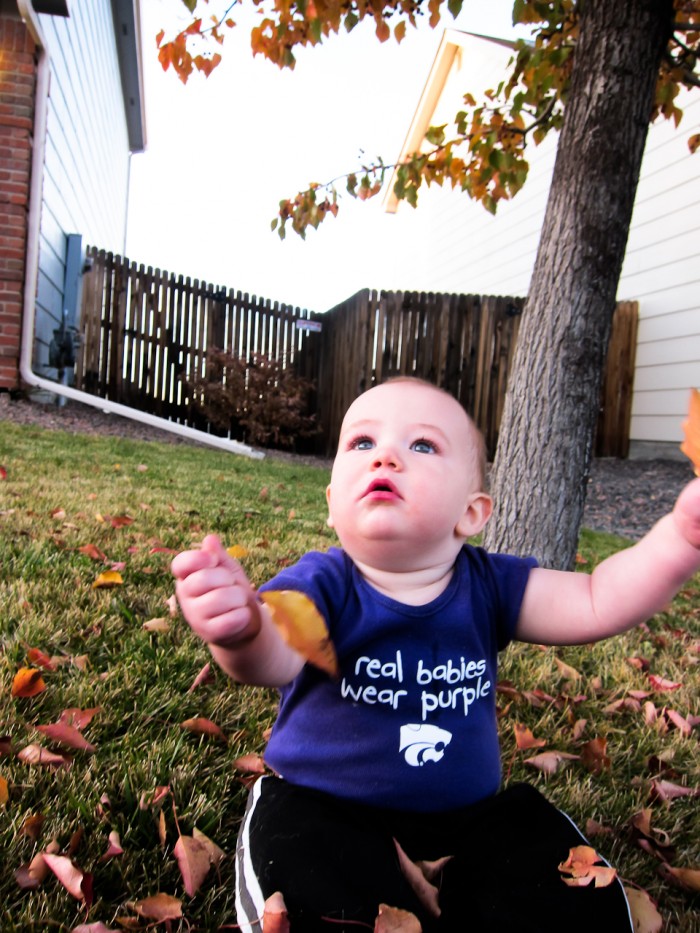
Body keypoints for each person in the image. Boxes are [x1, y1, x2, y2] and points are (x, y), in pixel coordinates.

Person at [171, 378, 700, 933]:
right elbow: (274, 660)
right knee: (305, 880)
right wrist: (243, 632)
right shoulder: (322, 583)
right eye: (362, 443)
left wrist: (679, 540)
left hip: (469, 822)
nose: (386, 457)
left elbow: (596, 600)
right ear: (331, 505)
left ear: (471, 513)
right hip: (324, 807)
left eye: (422, 445)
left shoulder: (491, 585)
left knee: (554, 877)